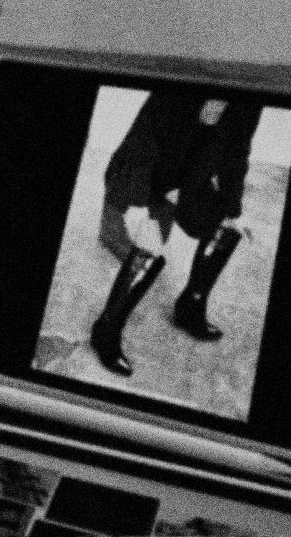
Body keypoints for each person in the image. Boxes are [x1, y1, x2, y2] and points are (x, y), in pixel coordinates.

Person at [91, 93, 262, 377]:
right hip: (157, 161)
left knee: (229, 226)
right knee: (153, 241)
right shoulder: (182, 88)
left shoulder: (250, 97)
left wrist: (234, 209)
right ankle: (107, 327)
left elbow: (238, 149)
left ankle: (191, 305)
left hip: (197, 169)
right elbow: (148, 142)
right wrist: (166, 193)